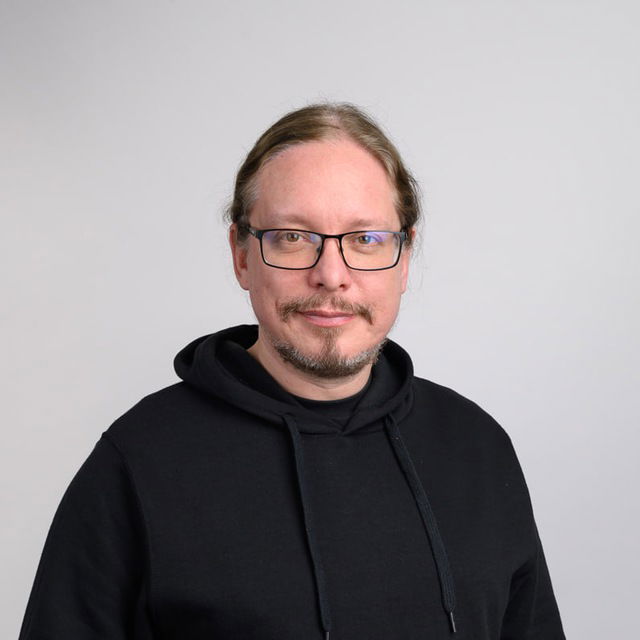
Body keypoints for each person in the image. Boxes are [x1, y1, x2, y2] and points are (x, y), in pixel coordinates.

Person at [18, 103, 565, 639]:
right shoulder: (138, 460)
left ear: (404, 259)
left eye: (366, 239)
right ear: (241, 255)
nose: (331, 275)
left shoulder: (477, 447)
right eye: (293, 237)